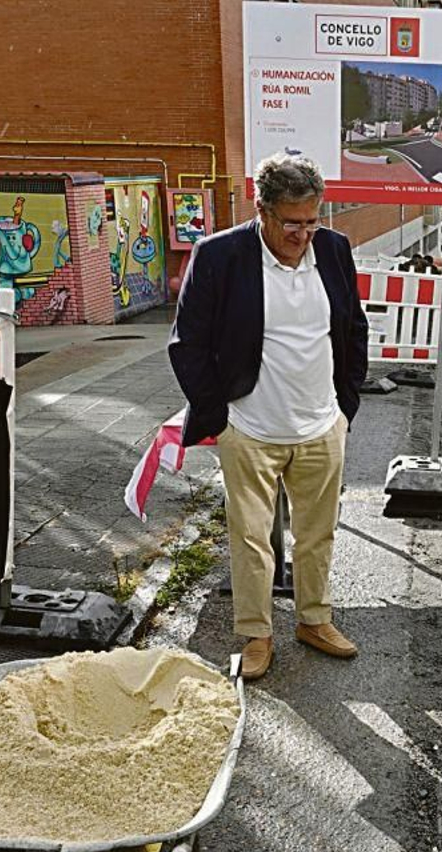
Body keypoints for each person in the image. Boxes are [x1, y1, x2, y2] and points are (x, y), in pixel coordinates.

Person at [168, 153, 368, 681]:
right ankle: (257, 634)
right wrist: (218, 417)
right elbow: (186, 344)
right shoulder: (219, 256)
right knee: (252, 538)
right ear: (261, 210)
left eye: (312, 221)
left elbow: (352, 328)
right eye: (291, 223)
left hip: (321, 424)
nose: (303, 235)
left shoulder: (334, 249)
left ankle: (313, 619)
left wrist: (345, 406)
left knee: (317, 532)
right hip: (249, 428)